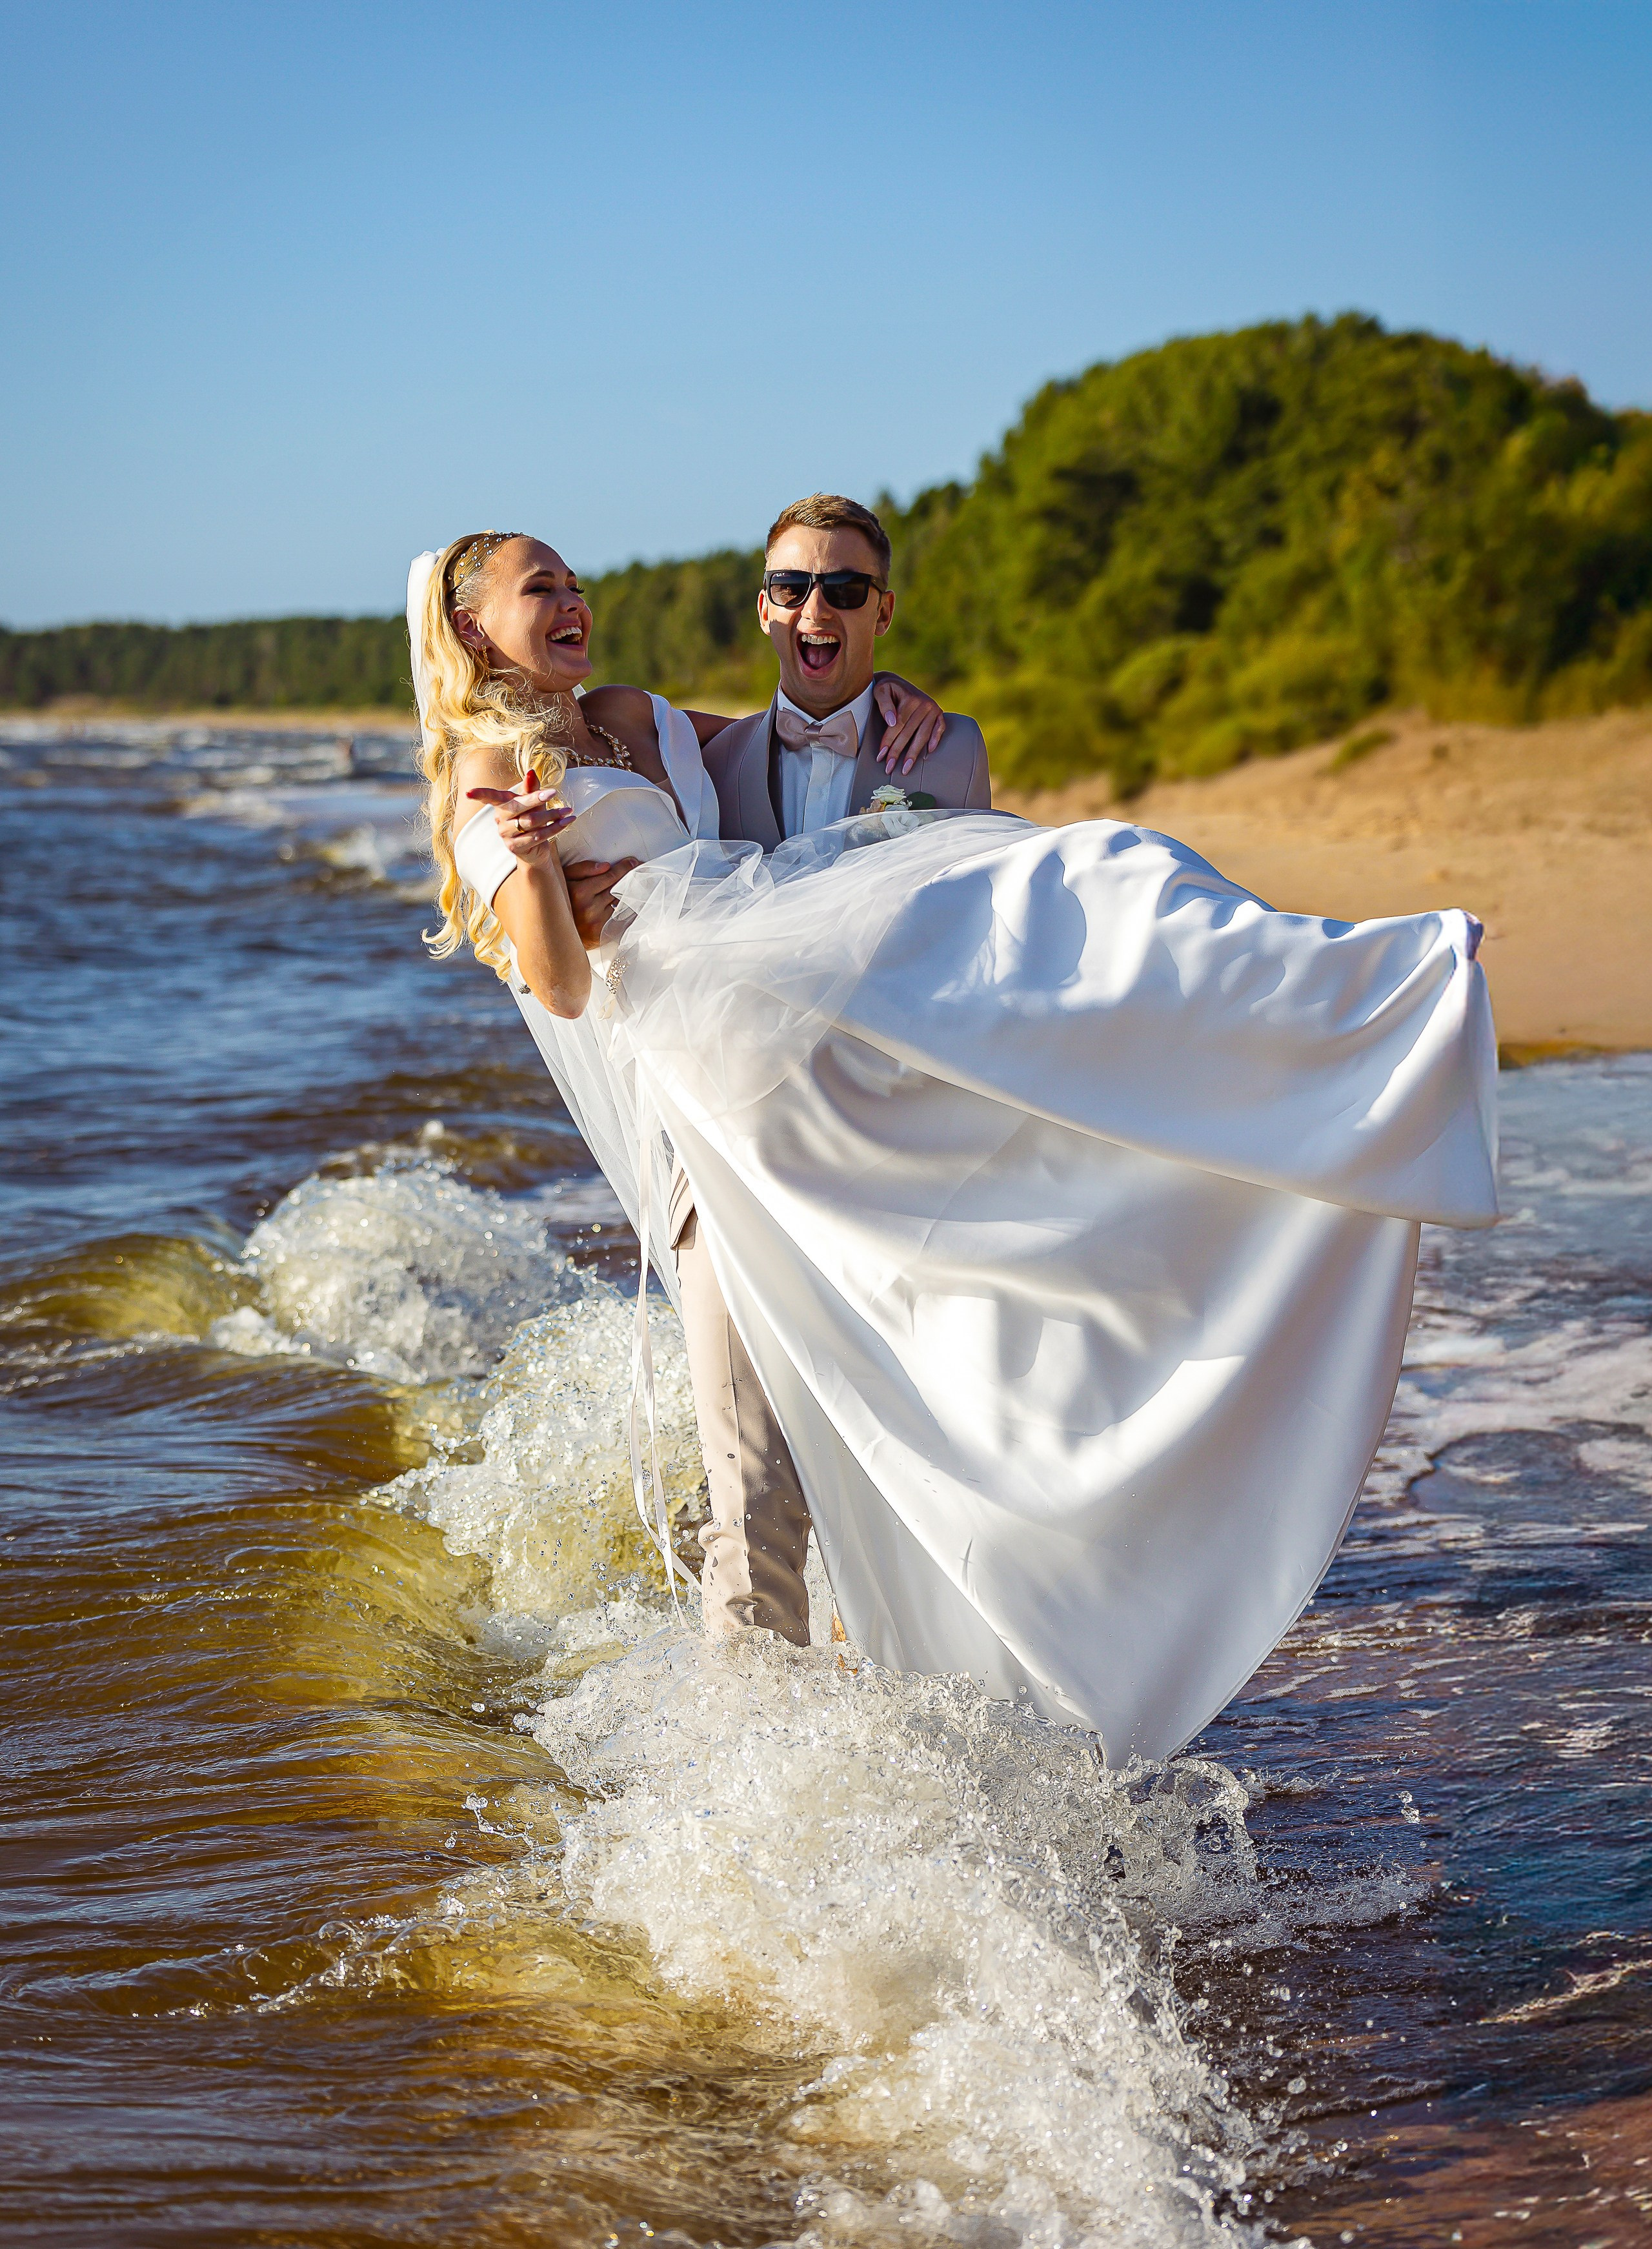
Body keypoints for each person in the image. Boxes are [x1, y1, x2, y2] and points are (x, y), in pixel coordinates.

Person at [414, 521, 1499, 1767]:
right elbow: (555, 983)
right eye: (537, 587)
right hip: (710, 1136)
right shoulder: (488, 770)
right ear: (467, 626)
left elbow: (791, 721)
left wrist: (890, 695)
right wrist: (543, 868)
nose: (571, 599)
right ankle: (740, 1797)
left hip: (838, 1103)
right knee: (755, 1480)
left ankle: (1368, 1016)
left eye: (573, 580)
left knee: (1096, 880)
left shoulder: (642, 715)